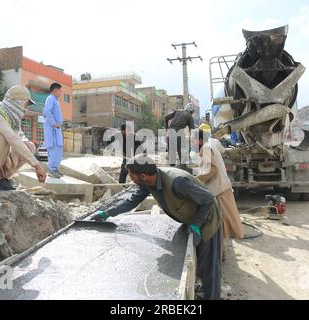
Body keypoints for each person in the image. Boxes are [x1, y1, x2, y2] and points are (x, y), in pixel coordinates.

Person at [92, 154, 222, 300]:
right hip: (190, 216)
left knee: (209, 266)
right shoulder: (148, 182)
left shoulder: (177, 182)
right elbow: (132, 202)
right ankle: (201, 289)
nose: (130, 178)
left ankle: (212, 296)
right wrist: (106, 213)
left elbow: (208, 199)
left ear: (143, 175)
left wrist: (197, 224)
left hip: (208, 218)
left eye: (131, 175)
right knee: (197, 261)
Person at [191, 129, 244, 262]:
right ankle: (221, 254)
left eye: (193, 139)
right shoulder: (212, 143)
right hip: (223, 188)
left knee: (217, 225)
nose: (191, 142)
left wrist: (195, 181)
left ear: (200, 140)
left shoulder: (205, 149)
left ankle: (217, 257)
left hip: (218, 191)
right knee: (222, 224)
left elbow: (211, 170)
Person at [44, 82, 64, 178]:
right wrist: (54, 123)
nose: (61, 93)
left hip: (56, 130)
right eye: (60, 91)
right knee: (54, 149)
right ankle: (52, 170)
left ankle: (54, 169)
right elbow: (47, 111)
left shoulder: (55, 100)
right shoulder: (50, 98)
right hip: (53, 129)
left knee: (57, 149)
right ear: (55, 90)